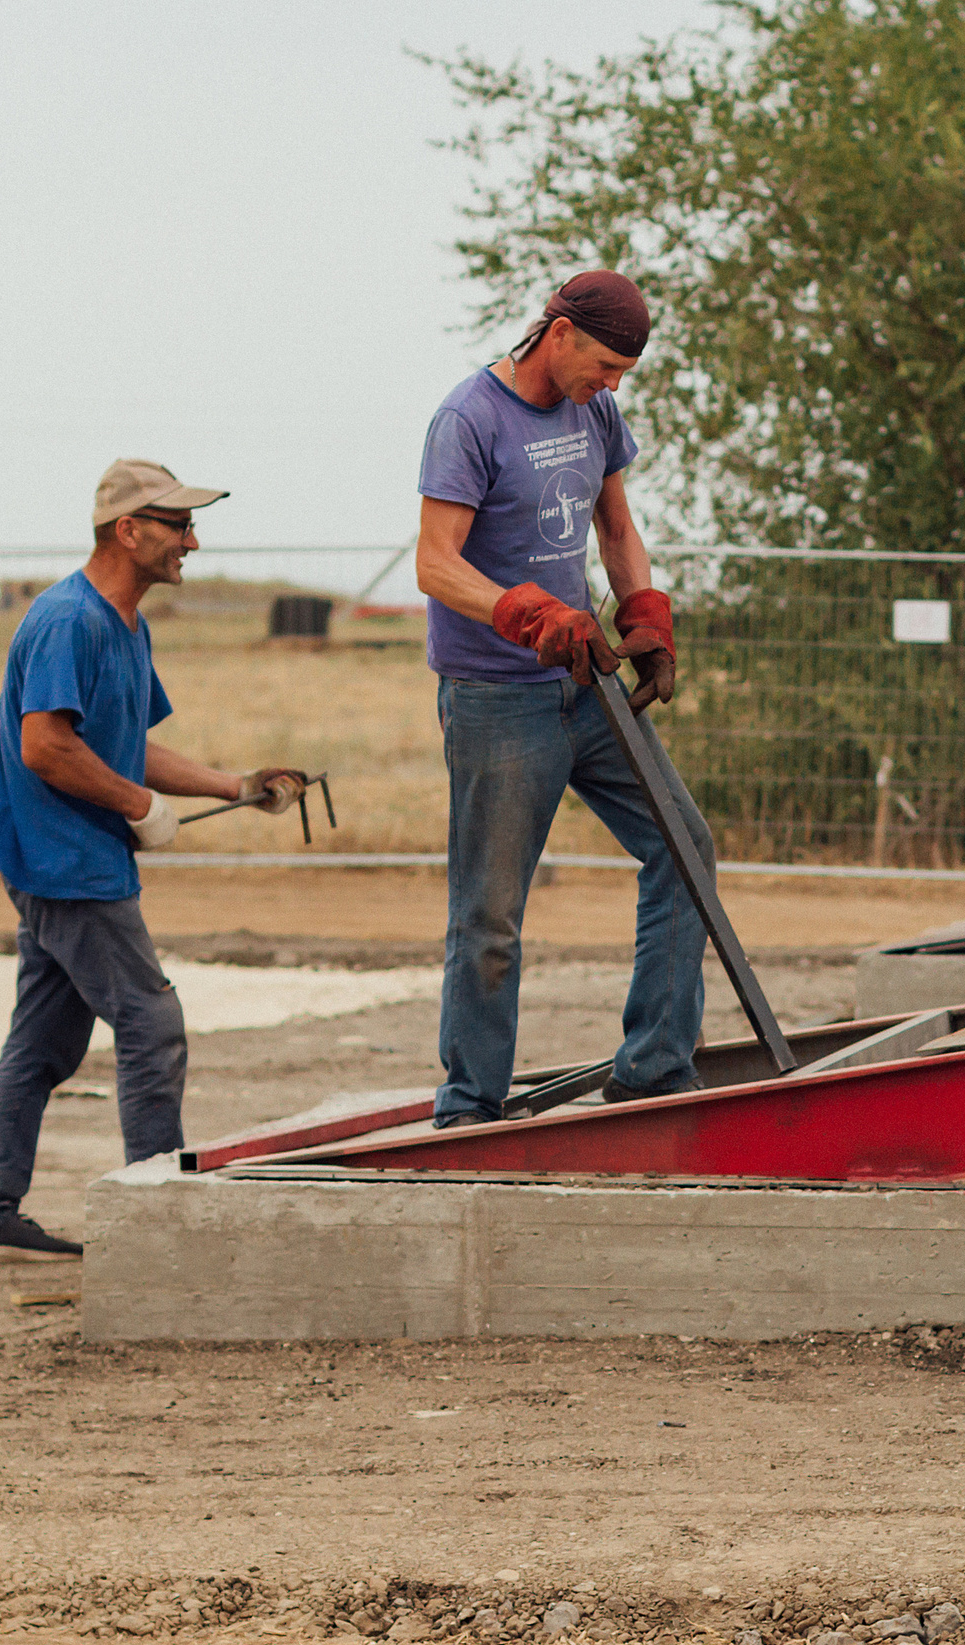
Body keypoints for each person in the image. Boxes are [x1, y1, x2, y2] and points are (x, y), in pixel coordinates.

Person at [0, 459, 309, 1264]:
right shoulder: (68, 621)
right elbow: (45, 746)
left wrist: (238, 785)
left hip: (75, 856)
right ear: (129, 530)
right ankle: (157, 1218)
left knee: (42, 1044)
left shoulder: (124, 624)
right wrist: (135, 805)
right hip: (65, 860)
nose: (193, 539)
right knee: (152, 1022)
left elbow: (126, 745)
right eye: (178, 525)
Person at [412, 268, 707, 1129]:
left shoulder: (596, 413)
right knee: (491, 912)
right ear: (559, 331)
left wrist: (645, 609)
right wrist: (522, 608)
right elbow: (435, 563)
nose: (612, 386)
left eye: (624, 374)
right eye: (607, 365)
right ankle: (469, 1106)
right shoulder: (468, 418)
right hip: (497, 699)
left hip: (585, 685)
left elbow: (615, 525)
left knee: (685, 848)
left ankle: (653, 1066)